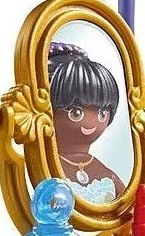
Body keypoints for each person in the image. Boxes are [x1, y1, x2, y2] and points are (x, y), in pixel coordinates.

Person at [47, 42, 125, 201]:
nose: (91, 123)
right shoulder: (45, 166)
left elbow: (127, 204)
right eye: (76, 113)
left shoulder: (105, 172)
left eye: (102, 113)